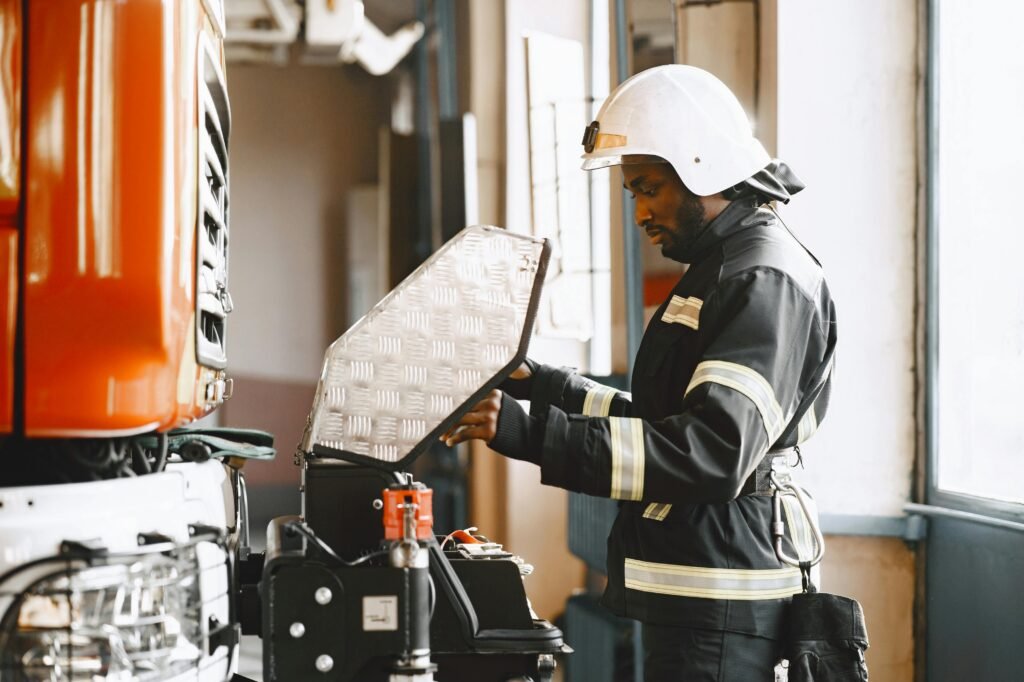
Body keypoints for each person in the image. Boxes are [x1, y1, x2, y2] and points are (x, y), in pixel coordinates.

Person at [443, 65, 837, 682]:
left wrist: (531, 431)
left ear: (701, 167)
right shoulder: (723, 268)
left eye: (650, 188)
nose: (641, 213)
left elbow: (712, 449)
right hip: (704, 600)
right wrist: (539, 384)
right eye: (634, 193)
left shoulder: (760, 279)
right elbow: (660, 420)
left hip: (724, 606)